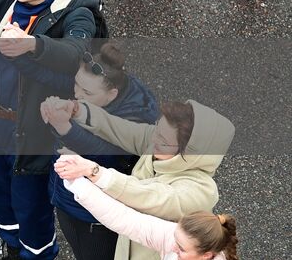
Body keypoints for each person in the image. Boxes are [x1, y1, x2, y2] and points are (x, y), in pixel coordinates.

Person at [0, 0, 102, 260]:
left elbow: (75, 54)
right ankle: (11, 248)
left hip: (31, 134)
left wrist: (31, 45)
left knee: (31, 211)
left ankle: (36, 255)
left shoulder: (79, 14)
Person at [53, 99, 233, 260]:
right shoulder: (162, 142)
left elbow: (145, 195)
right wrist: (78, 110)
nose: (153, 139)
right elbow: (123, 130)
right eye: (157, 128)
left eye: (162, 140)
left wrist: (92, 171)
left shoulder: (200, 191)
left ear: (190, 153)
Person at [40, 43, 161, 260]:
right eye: (76, 84)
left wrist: (63, 128)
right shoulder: (99, 91)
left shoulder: (138, 117)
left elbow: (110, 155)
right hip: (67, 195)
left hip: (98, 214)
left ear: (112, 93)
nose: (77, 93)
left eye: (86, 92)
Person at [61, 171, 239, 260]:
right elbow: (125, 220)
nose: (173, 247)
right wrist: (77, 184)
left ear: (206, 255)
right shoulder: (176, 239)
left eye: (182, 249)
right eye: (176, 238)